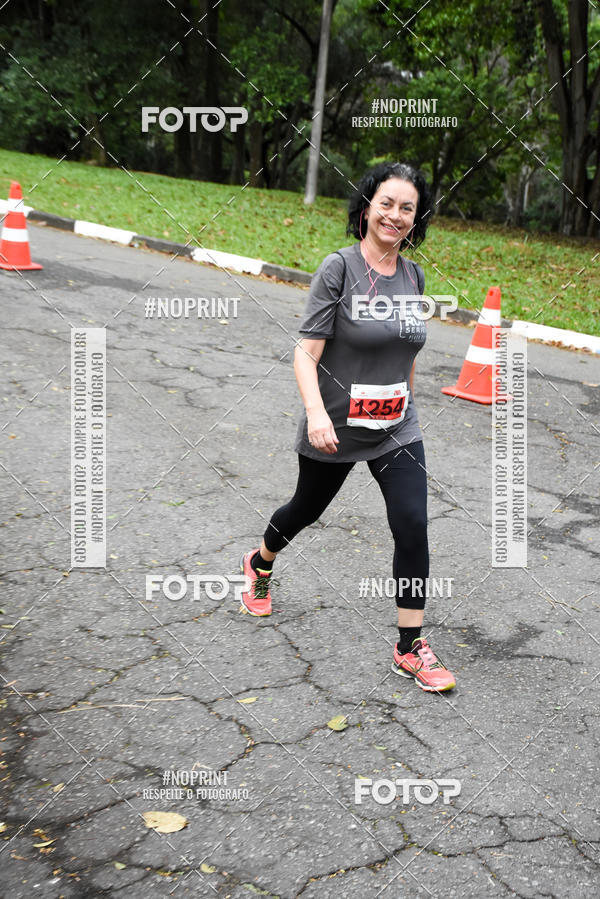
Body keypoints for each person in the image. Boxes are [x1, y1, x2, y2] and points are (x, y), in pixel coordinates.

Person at [239, 161, 456, 693]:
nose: (396, 216)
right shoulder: (338, 269)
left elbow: (407, 348)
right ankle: (260, 561)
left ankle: (410, 647)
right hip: (333, 426)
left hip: (397, 428)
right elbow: (305, 352)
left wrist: (408, 401)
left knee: (412, 523)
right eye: (387, 203)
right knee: (304, 510)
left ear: (416, 218)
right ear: (366, 207)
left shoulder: (414, 276)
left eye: (407, 208)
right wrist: (315, 413)